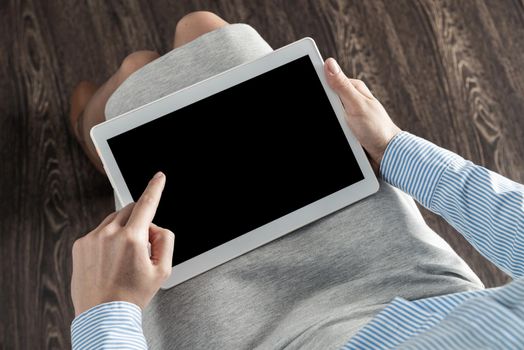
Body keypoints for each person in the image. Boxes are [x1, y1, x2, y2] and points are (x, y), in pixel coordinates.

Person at [69, 11, 524, 350]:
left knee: (138, 72)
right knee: (203, 29)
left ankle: (96, 135)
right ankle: (106, 131)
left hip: (252, 337)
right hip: (411, 288)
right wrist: (391, 147)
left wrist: (106, 311)